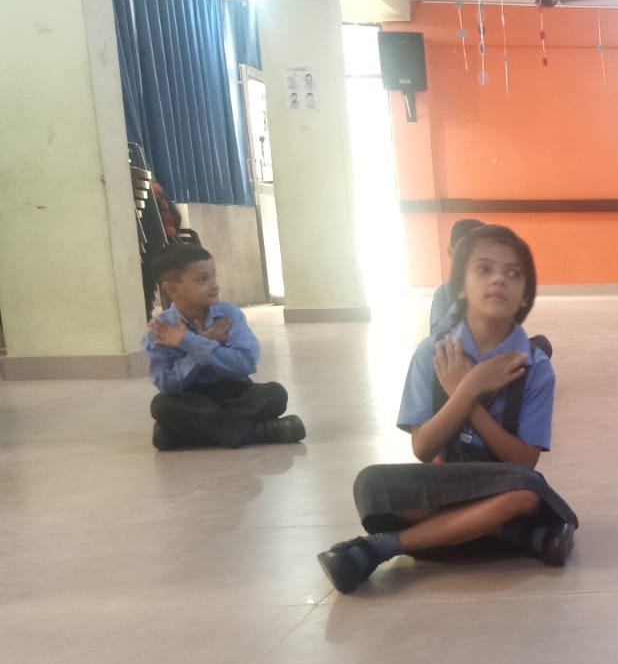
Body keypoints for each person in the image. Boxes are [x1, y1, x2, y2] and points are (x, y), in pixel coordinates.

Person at [317, 224, 577, 593]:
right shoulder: (431, 353)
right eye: (483, 269)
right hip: (446, 483)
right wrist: (467, 389)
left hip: (505, 480)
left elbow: (523, 463)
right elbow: (423, 448)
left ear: (524, 295)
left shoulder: (534, 366)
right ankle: (515, 533)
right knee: (371, 485)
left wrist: (468, 396)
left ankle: (380, 548)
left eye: (513, 273)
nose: (498, 280)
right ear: (460, 286)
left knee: (526, 490)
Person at [143, 243, 305, 450]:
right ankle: (259, 432)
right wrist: (203, 344)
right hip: (191, 397)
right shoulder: (161, 329)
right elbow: (167, 385)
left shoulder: (229, 315)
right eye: (203, 279)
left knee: (275, 394)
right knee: (162, 405)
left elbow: (244, 364)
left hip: (233, 391)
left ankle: (183, 434)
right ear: (172, 289)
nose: (214, 285)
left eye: (214, 276)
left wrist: (190, 342)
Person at [429, 216, 553, 358]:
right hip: (460, 356)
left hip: (498, 352)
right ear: (452, 253)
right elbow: (435, 338)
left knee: (542, 344)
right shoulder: (443, 293)